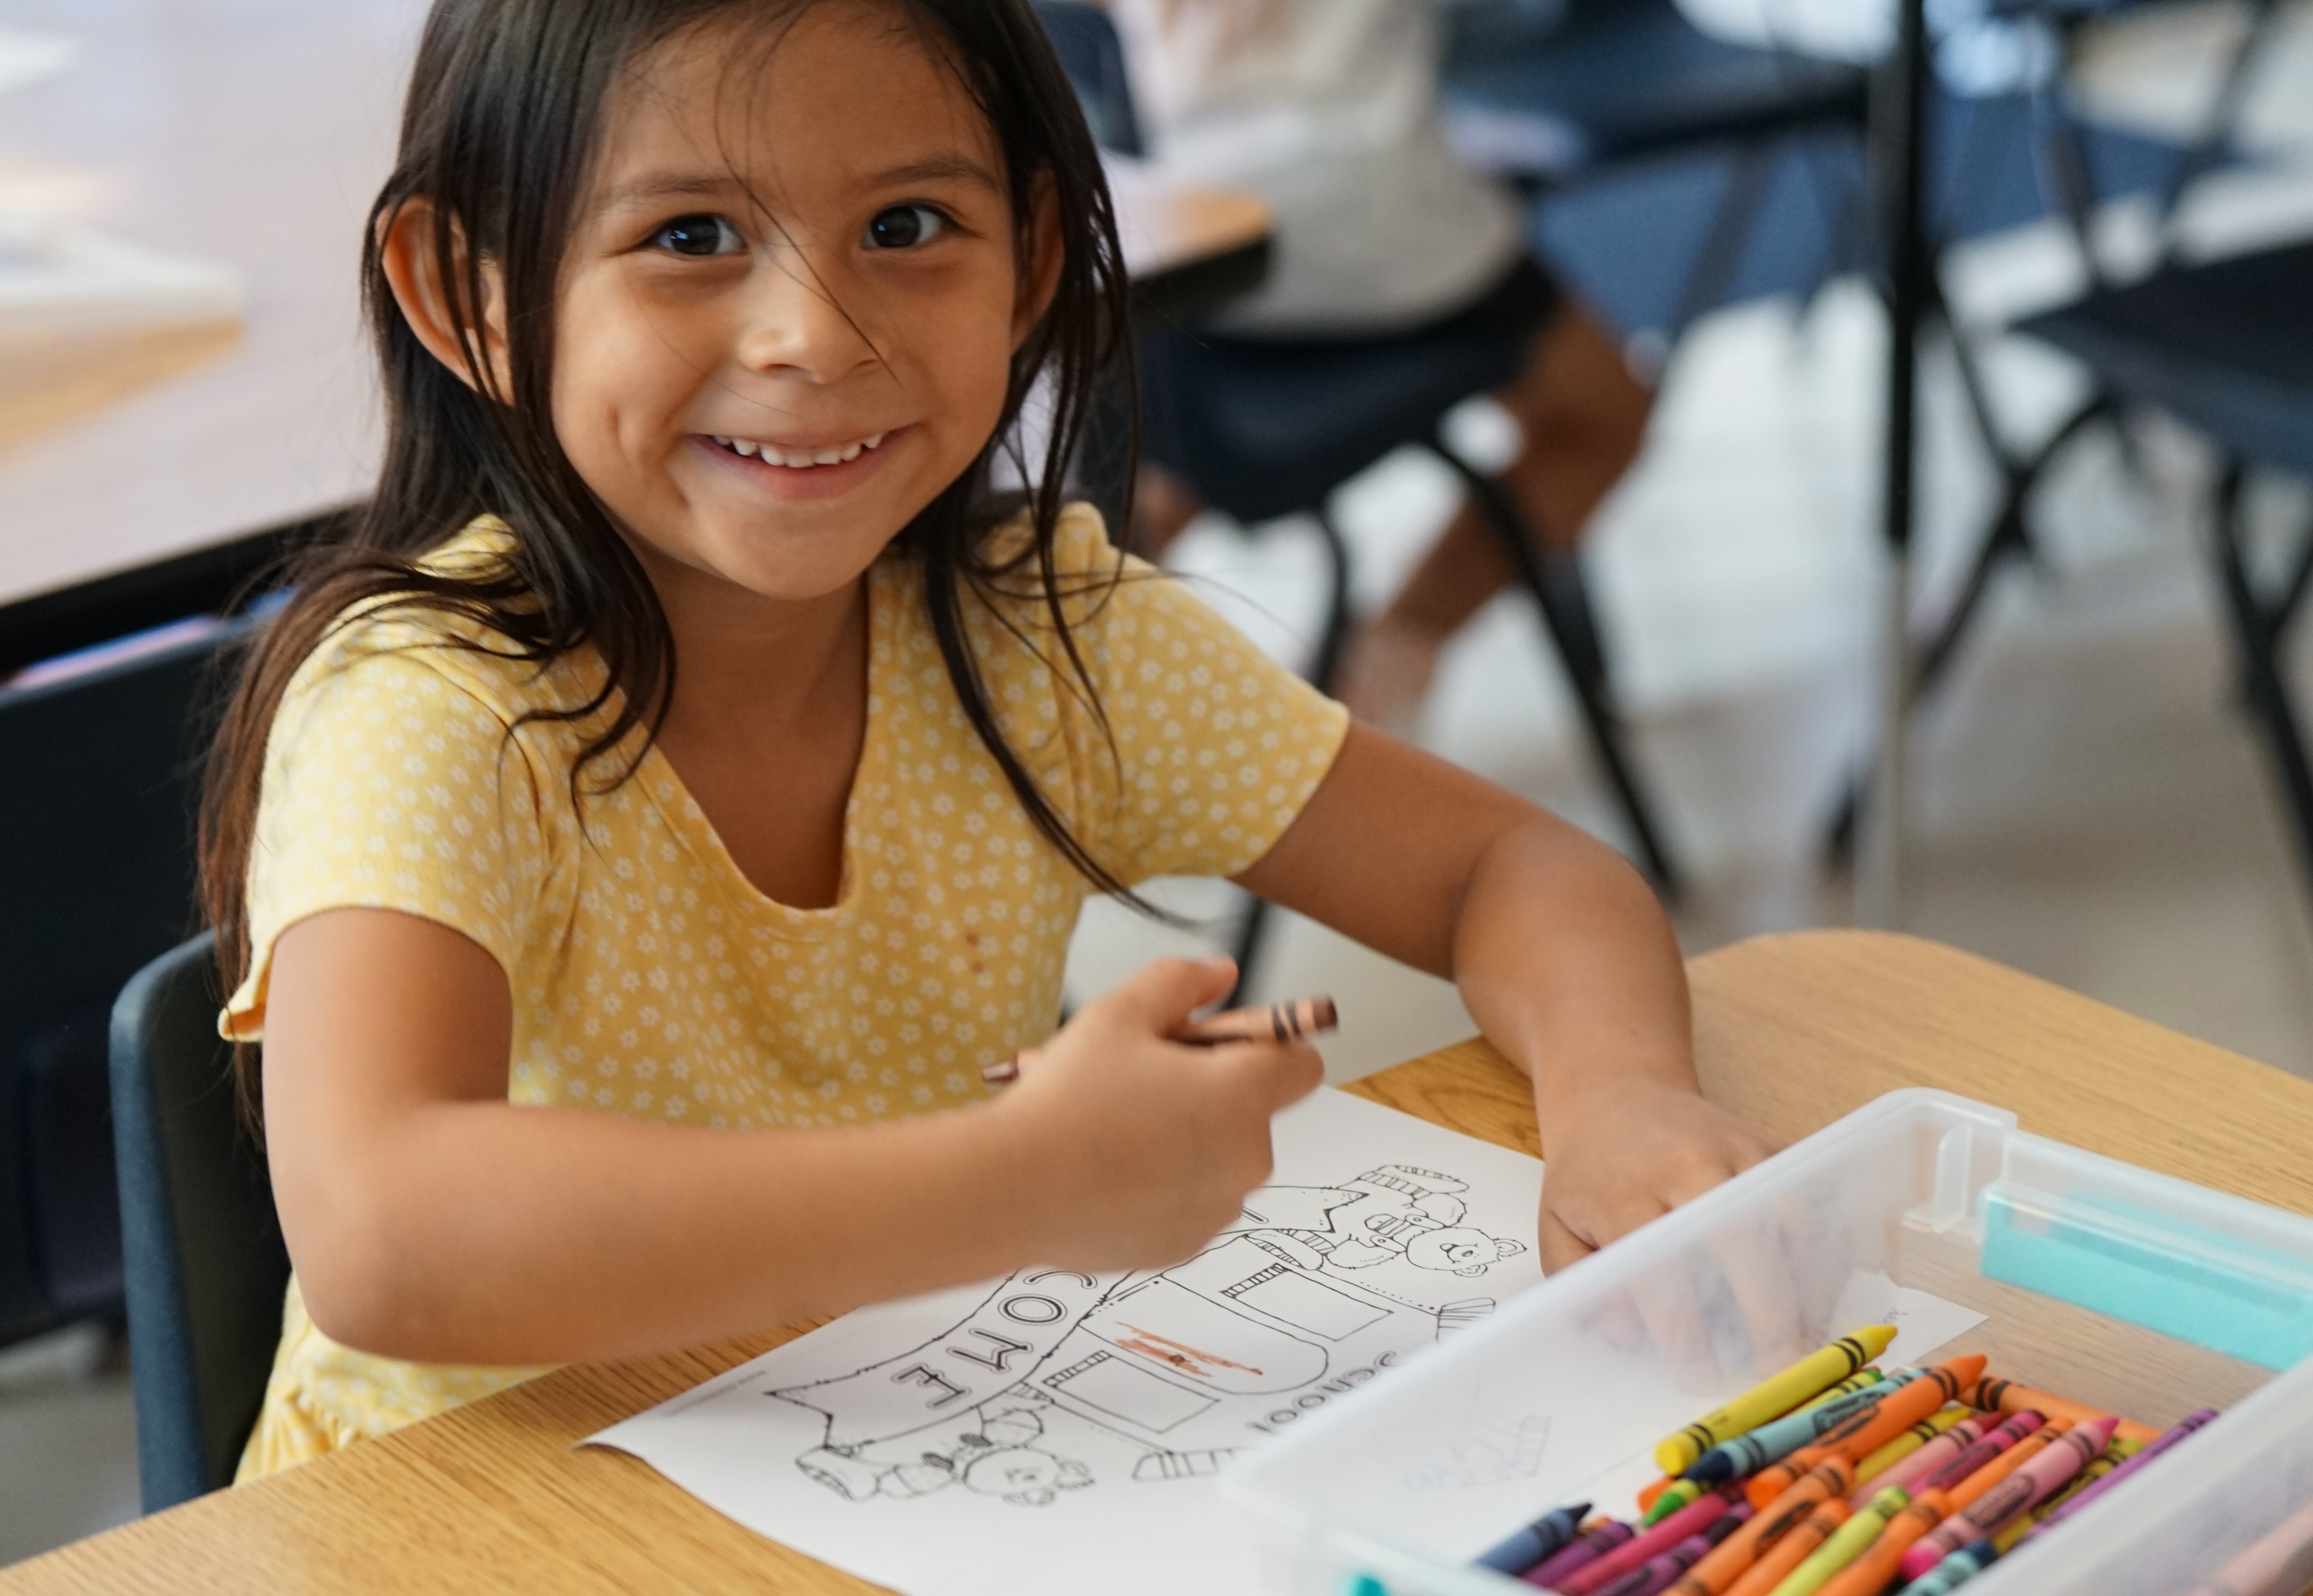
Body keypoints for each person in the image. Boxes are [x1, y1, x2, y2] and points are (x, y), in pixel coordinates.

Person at [198, 0, 1768, 1479]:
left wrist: (1623, 1096)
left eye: (906, 227)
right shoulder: (433, 699)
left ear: (1026, 262)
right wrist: (1021, 1183)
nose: (813, 335)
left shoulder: (1038, 637)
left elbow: (1510, 864)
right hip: (465, 1522)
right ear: (469, 294)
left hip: (864, 1463)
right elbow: (386, 1228)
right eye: (689, 238)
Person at [1103, 0, 1655, 732]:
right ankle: (1388, 660)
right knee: (1604, 410)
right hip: (1370, 223)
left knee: (1169, 466)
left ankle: (1092, 650)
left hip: (1188, 245)